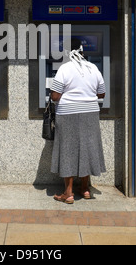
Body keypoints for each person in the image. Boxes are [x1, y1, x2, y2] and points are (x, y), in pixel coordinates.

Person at [50, 38, 106, 205]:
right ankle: (85, 189)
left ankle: (68, 193)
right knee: (87, 149)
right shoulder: (93, 67)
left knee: (68, 150)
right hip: (90, 114)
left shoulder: (64, 68)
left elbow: (54, 96)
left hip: (68, 114)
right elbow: (102, 93)